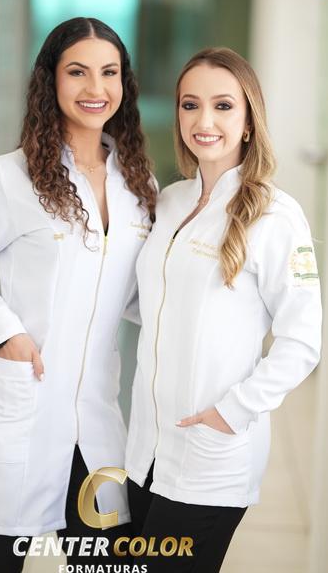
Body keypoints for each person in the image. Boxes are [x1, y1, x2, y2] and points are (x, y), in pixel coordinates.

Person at [0, 17, 156, 572]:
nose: (95, 88)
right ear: (50, 80)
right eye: (77, 72)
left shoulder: (138, 184)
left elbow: (127, 291)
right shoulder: (11, 177)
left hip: (97, 415)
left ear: (124, 83)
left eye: (109, 73)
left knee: (104, 558)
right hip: (22, 401)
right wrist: (4, 333)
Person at [125, 47, 322, 572]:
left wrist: (233, 412)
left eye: (223, 106)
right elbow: (156, 305)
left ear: (250, 121)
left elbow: (303, 341)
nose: (203, 121)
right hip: (145, 451)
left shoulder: (277, 216)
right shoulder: (168, 203)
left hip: (210, 456)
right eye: (190, 105)